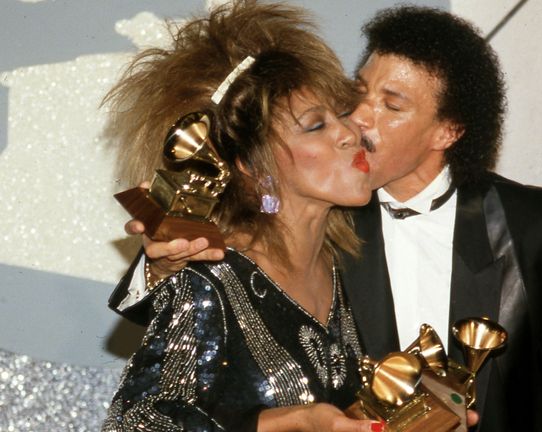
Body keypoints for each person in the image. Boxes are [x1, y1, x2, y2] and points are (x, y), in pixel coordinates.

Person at [111, 5, 542, 432]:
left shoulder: (536, 224)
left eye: (392, 104)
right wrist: (160, 262)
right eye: (357, 94)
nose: (358, 120)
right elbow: (211, 297)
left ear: (446, 131)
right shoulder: (315, 224)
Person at [101, 2, 382, 431]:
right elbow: (138, 422)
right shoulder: (212, 278)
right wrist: (290, 422)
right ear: (253, 166)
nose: (349, 134)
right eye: (315, 125)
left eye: (342, 115)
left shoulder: (350, 263)